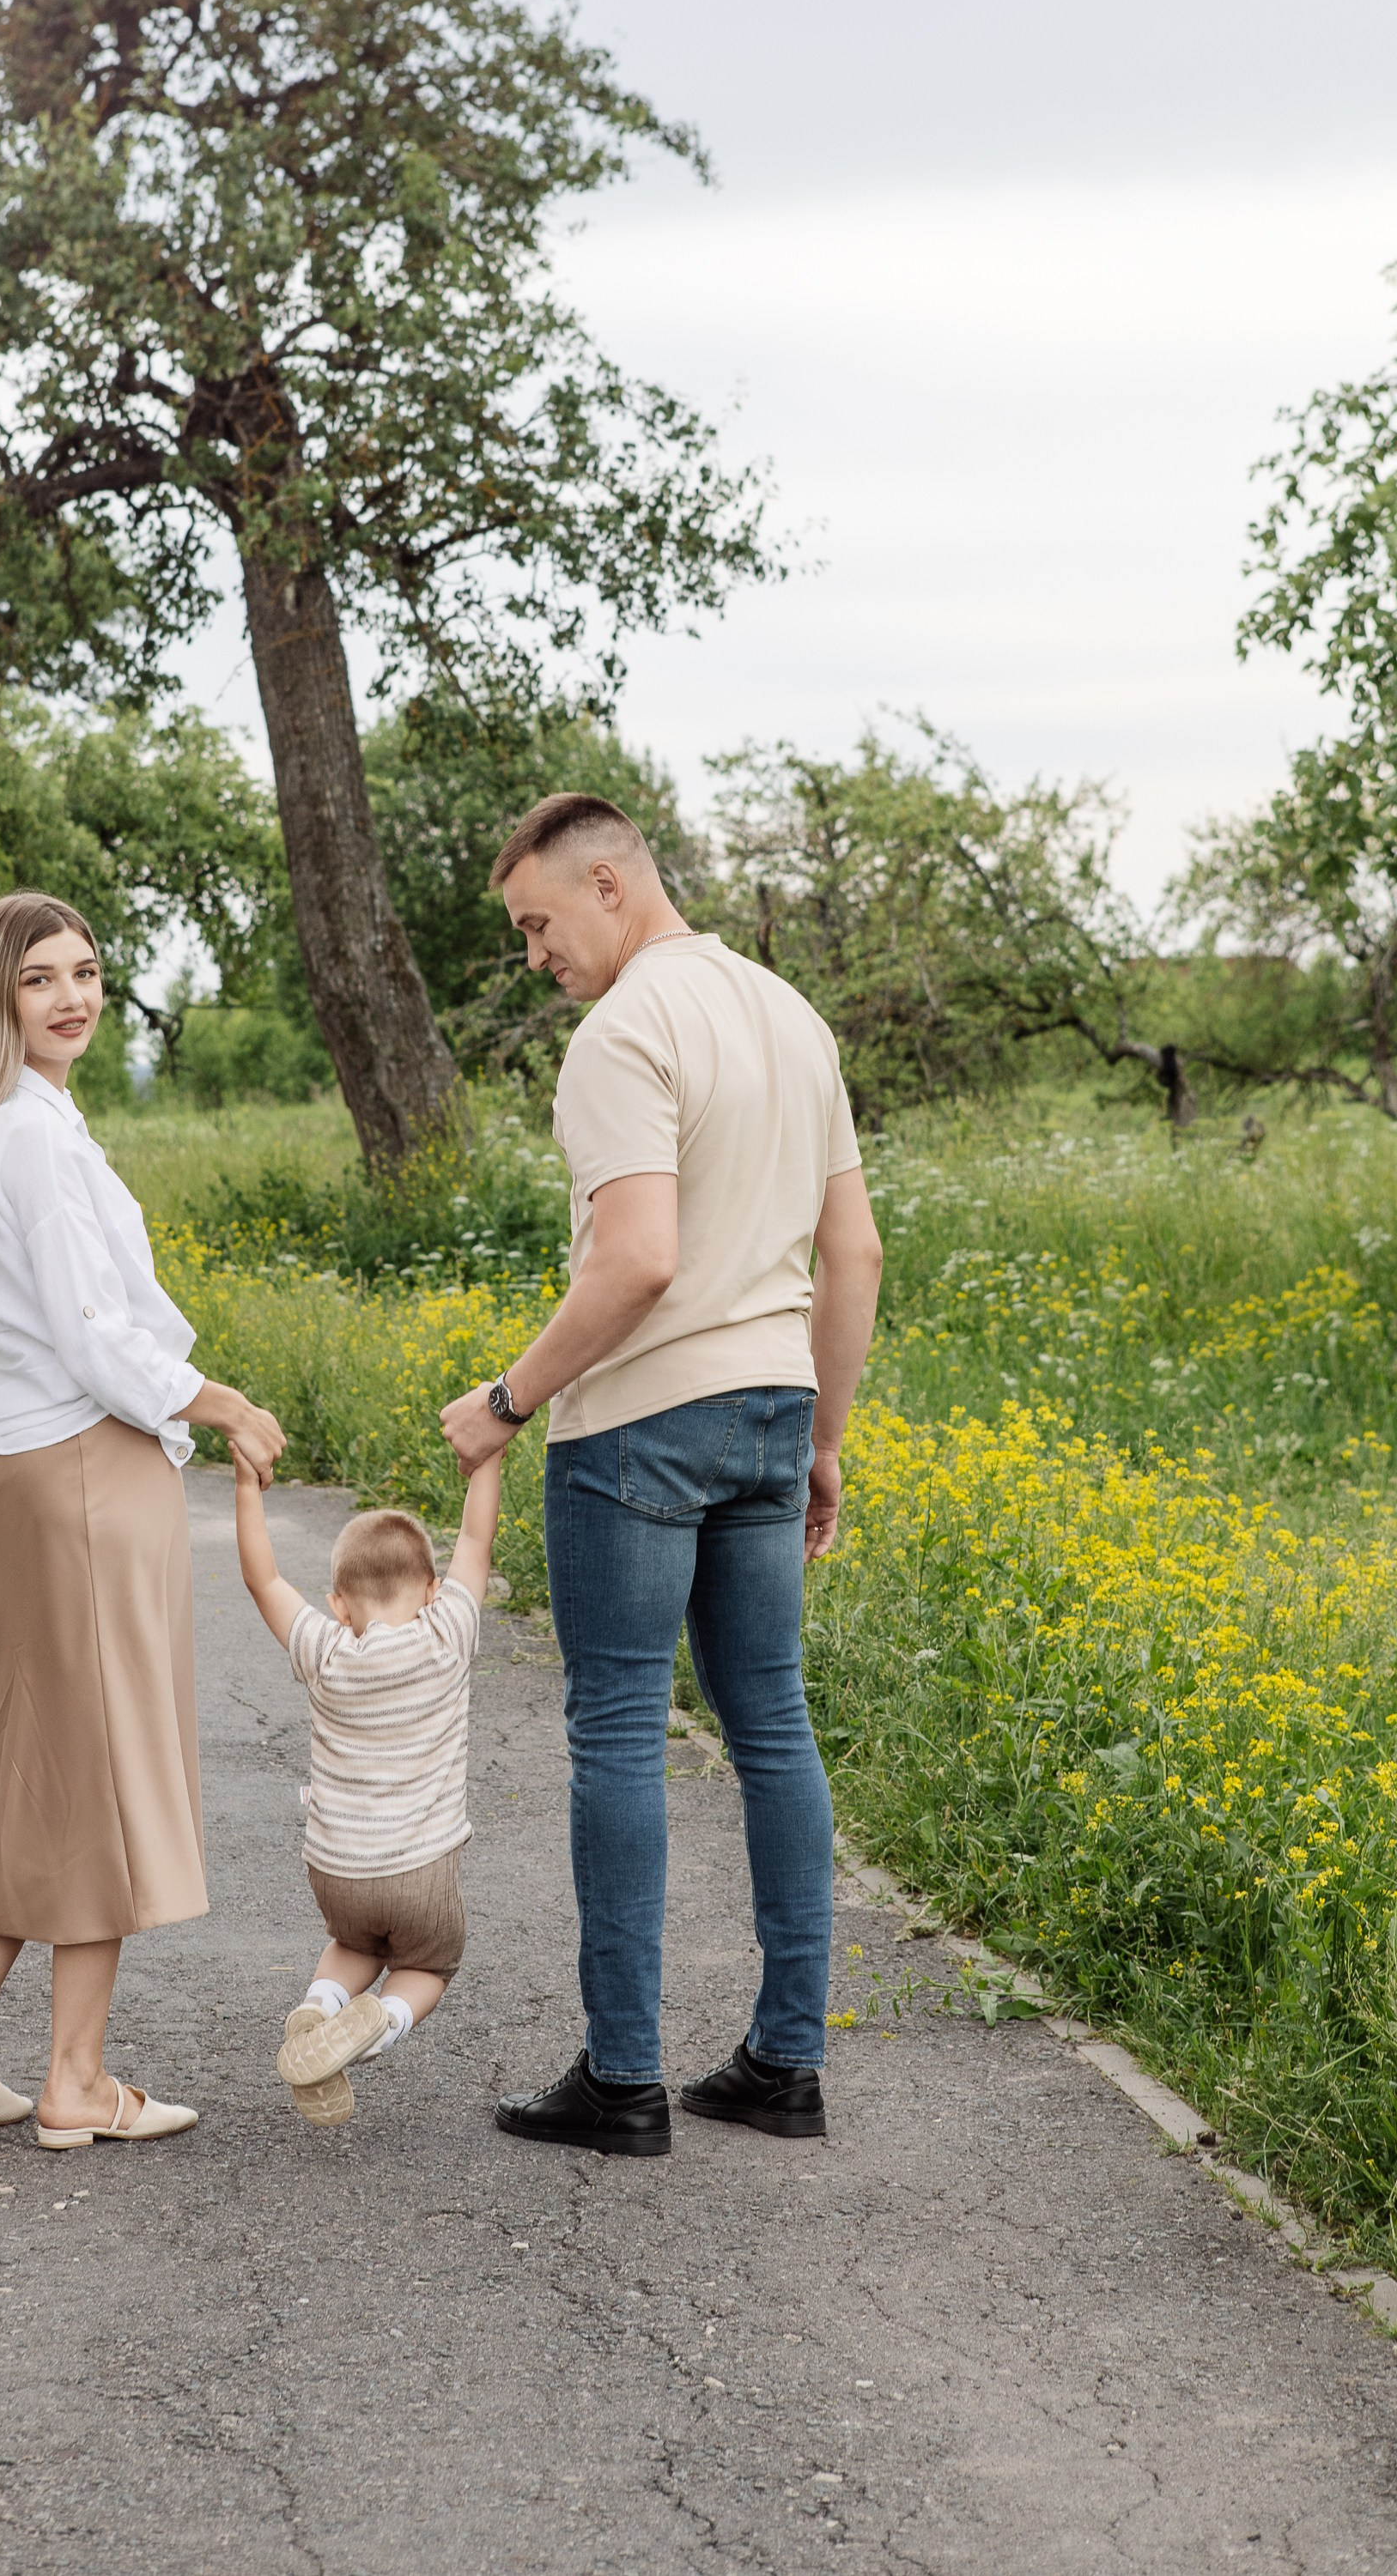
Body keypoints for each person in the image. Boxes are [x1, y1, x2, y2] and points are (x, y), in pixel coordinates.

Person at [440, 794, 883, 2158]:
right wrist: (821, 1442)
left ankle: (623, 2080)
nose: (534, 956)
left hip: (639, 1427)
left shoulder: (623, 1030)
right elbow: (853, 1255)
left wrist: (509, 1400)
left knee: (621, 1729)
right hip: (769, 1413)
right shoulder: (792, 1018)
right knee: (772, 1727)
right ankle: (783, 2067)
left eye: (538, 924)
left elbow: (637, 1258)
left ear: (612, 886)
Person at [0, 890, 287, 2151]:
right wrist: (215, 1398)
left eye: (88, 972)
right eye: (40, 980)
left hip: (32, 1471)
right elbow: (89, 1332)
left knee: (44, 1771)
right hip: (84, 1467)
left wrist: (24, 1510)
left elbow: (6, 1352)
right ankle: (76, 2079)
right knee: (101, 1776)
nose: (72, 996)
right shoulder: (35, 1140)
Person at [231, 1446, 504, 2126]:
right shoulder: (448, 1634)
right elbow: (475, 1539)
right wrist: (488, 1457)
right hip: (422, 1873)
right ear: (432, 1590)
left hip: (337, 1873)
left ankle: (321, 2007)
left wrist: (246, 1486)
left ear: (338, 1604)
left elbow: (262, 1579)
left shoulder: (325, 1652)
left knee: (354, 1945)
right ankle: (382, 2019)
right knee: (430, 1966)